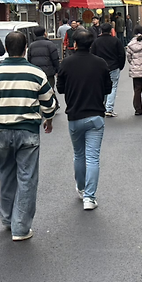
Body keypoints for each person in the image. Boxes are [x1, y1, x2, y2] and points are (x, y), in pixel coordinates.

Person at [0, 30, 57, 241]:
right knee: (27, 177)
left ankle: (6, 218)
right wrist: (48, 120)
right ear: (25, 49)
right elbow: (49, 103)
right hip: (28, 131)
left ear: (5, 49)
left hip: (2, 130)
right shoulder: (36, 73)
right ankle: (20, 227)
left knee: (6, 174)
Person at [57, 28, 113, 210]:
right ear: (91, 44)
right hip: (96, 115)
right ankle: (89, 198)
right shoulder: (100, 63)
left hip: (74, 115)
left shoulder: (66, 63)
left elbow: (60, 88)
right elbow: (108, 88)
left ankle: (81, 188)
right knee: (93, 157)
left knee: (79, 154)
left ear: (74, 44)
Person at [90, 20, 126, 117]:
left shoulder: (96, 42)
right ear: (111, 30)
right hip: (114, 66)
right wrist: (120, 65)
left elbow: (92, 55)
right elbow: (121, 54)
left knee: (102, 87)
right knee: (113, 87)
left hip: (100, 68)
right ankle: (109, 108)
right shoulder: (116, 41)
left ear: (101, 30)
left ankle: (102, 106)